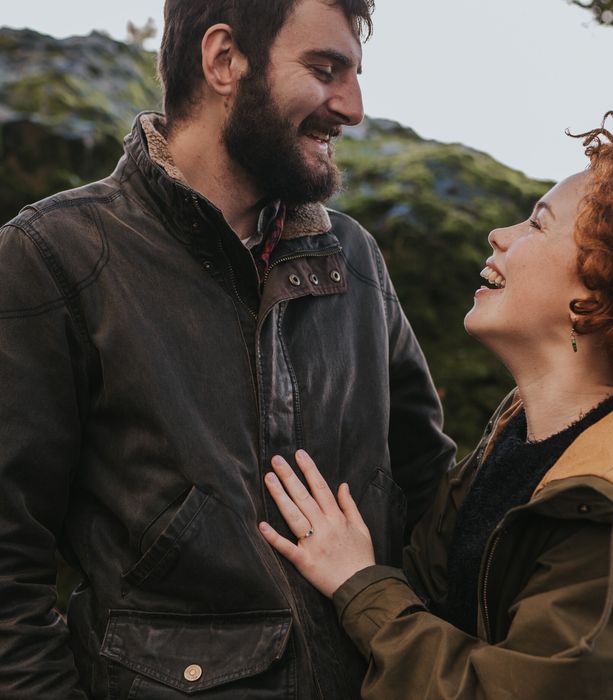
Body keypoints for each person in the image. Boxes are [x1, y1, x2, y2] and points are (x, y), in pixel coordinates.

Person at [0, 1, 455, 697]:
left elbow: (434, 507)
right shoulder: (54, 257)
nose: (354, 108)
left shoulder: (356, 260)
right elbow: (8, 568)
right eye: (325, 69)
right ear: (223, 60)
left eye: (354, 75)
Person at [259, 113, 613, 699]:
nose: (500, 233)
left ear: (602, 286)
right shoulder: (526, 434)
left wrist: (359, 585)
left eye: (537, 222)